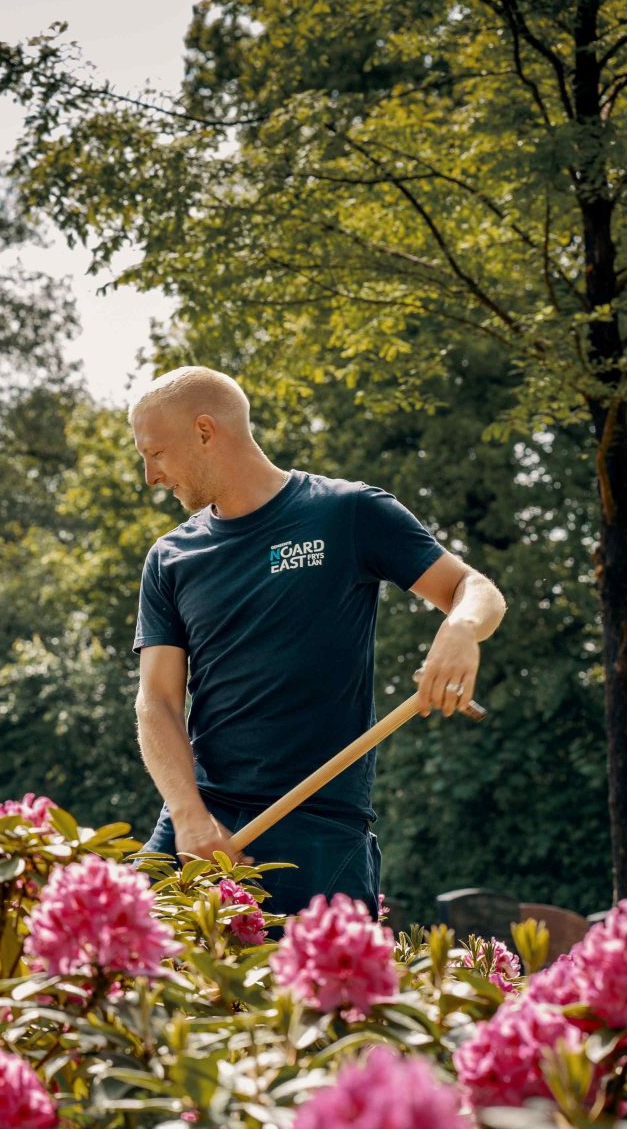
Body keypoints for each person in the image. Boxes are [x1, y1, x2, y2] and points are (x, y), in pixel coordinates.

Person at [130, 366, 506, 918]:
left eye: (155, 452)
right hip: (200, 824)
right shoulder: (170, 559)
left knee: (327, 1005)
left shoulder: (348, 513)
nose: (150, 476)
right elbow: (156, 700)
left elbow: (474, 589)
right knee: (114, 978)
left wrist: (460, 628)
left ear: (206, 432)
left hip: (320, 829)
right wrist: (188, 815)